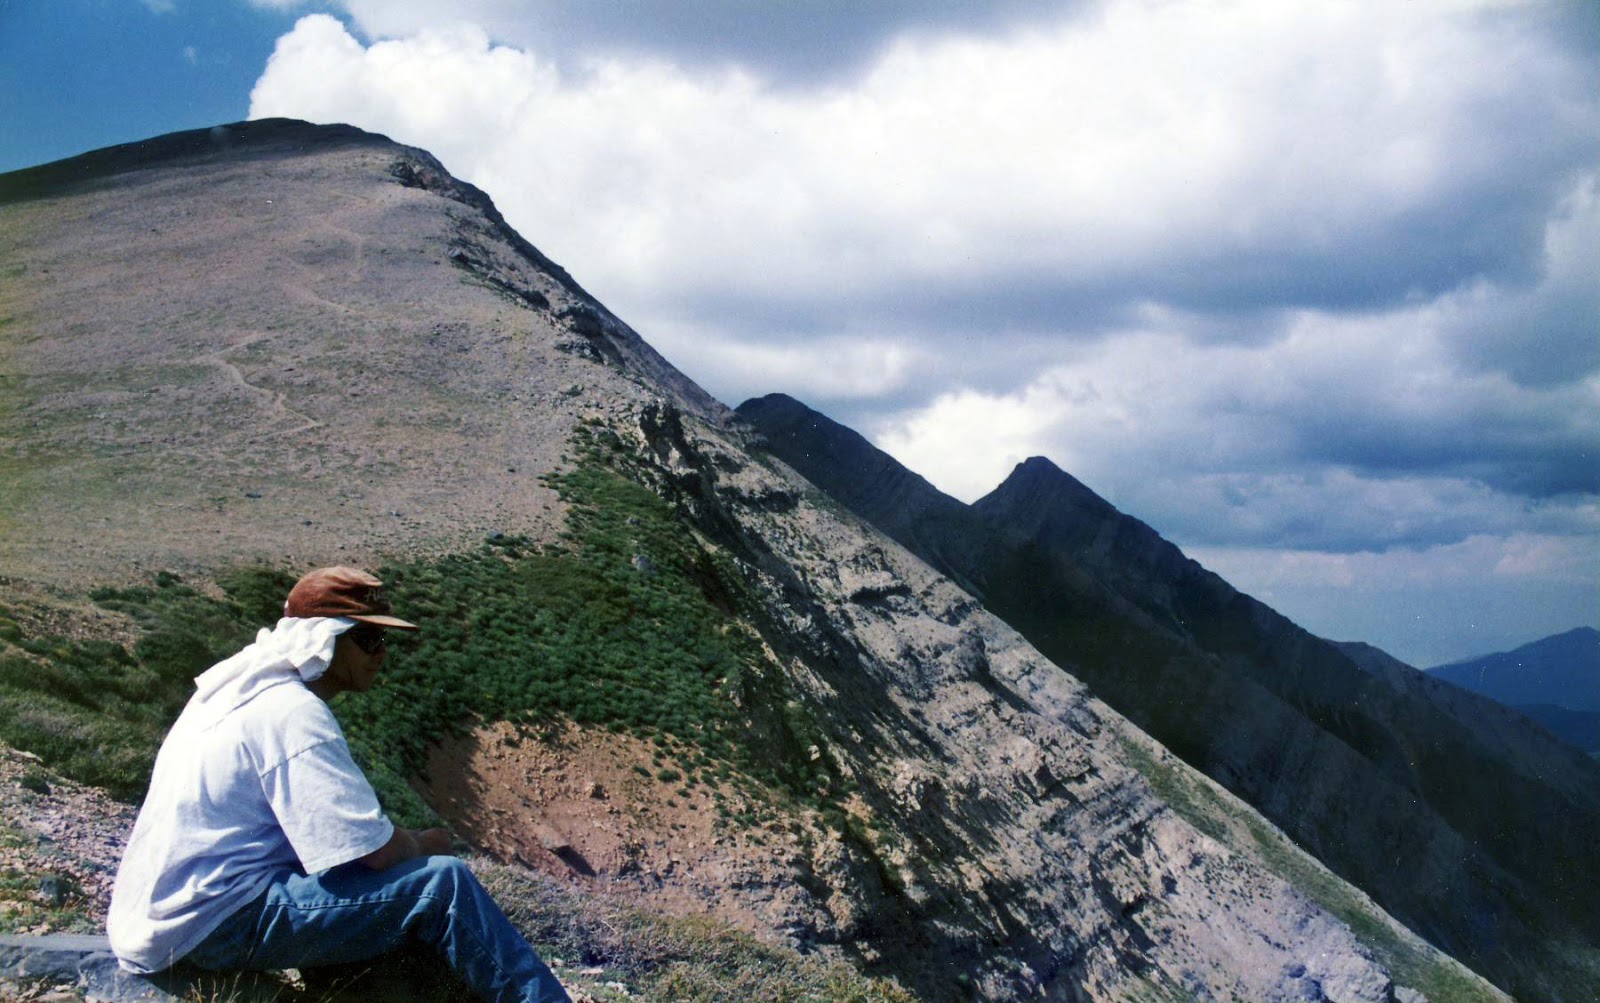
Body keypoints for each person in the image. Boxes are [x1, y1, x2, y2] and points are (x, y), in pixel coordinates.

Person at [107, 566, 570, 1003]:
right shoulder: (292, 713)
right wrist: (424, 844)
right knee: (442, 884)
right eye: (367, 639)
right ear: (323, 638)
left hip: (165, 916)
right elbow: (372, 851)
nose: (381, 653)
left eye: (382, 639)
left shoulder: (235, 692)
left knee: (358, 886)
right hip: (209, 923)